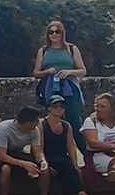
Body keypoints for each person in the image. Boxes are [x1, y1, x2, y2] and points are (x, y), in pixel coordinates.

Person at [41, 95, 100, 195]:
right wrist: (44, 164)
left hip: (62, 160)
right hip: (48, 158)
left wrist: (75, 164)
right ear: (49, 108)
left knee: (67, 170)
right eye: (55, 106)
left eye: (61, 106)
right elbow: (38, 147)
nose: (58, 109)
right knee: (65, 167)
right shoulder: (42, 125)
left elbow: (70, 146)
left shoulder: (66, 125)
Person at [33, 21, 87, 151]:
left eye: (57, 31)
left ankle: (86, 153)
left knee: (74, 120)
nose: (54, 34)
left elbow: (83, 71)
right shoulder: (44, 50)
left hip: (69, 87)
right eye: (51, 32)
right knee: (51, 120)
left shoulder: (72, 49)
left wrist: (69, 72)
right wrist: (47, 72)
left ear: (62, 33)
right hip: (50, 87)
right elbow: (36, 73)